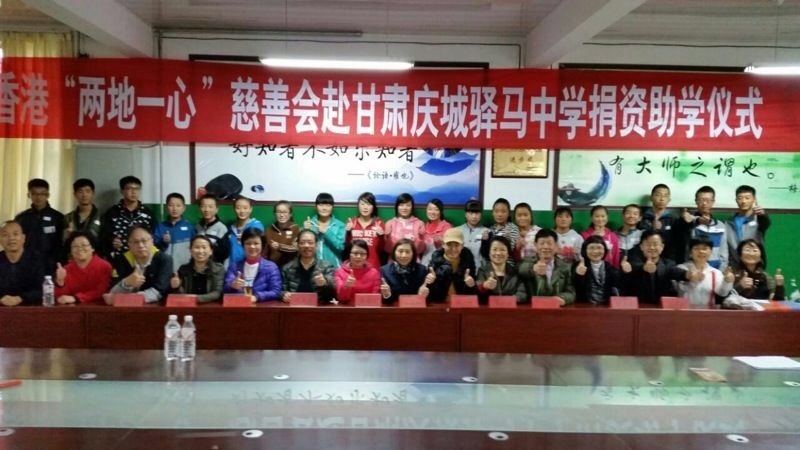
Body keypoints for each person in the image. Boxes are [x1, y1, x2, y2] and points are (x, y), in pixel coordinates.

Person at [619, 230, 689, 305]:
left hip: (661, 308)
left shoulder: (668, 264)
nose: (652, 247)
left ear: (662, 247)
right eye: (648, 244)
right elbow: (633, 269)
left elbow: (676, 272)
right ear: (641, 247)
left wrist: (687, 274)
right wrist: (643, 268)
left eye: (655, 244)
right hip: (636, 307)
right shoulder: (631, 262)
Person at [106, 226, 173, 304]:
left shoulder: (164, 259)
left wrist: (131, 298)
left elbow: (159, 290)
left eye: (144, 241)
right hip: (124, 306)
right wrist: (126, 283)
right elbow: (112, 293)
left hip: (154, 306)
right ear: (129, 244)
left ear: (152, 241)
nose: (140, 245)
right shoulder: (121, 259)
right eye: (135, 242)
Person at [15, 178, 64, 274]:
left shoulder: (58, 217)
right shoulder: (21, 218)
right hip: (26, 265)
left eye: (42, 194)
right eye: (34, 194)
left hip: (51, 266)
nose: (38, 197)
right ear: (29, 195)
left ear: (48, 195)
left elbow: (61, 243)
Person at [673, 185, 728, 270]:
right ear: (696, 201)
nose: (704, 203)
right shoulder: (689, 222)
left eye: (707, 200)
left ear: (713, 202)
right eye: (701, 200)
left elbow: (724, 254)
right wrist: (694, 221)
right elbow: (682, 233)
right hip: (692, 271)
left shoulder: (721, 226)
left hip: (715, 271)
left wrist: (720, 272)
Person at [101, 175, 156, 260]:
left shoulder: (147, 213)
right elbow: (105, 236)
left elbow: (154, 235)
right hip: (119, 258)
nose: (134, 192)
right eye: (129, 188)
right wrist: (112, 241)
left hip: (143, 258)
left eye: (137, 189)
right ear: (122, 191)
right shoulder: (112, 213)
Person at [518, 229, 575, 306]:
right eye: (542, 243)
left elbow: (570, 292)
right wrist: (533, 268)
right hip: (532, 308)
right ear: (535, 245)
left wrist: (562, 298)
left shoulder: (564, 266)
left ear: (556, 245)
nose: (545, 247)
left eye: (549, 243)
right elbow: (521, 269)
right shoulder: (527, 261)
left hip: (556, 308)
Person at [224, 227, 282, 303]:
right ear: (243, 245)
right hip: (239, 306)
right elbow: (225, 291)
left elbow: (276, 292)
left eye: (256, 243)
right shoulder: (234, 266)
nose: (252, 246)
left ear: (262, 245)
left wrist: (257, 297)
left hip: (263, 308)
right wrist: (232, 285)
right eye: (248, 243)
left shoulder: (271, 267)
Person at [54, 232, 112, 304]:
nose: (80, 249)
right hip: (72, 309)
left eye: (84, 245)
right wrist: (60, 282)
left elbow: (101, 292)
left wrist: (76, 298)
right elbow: (60, 298)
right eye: (75, 246)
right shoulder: (66, 269)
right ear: (71, 251)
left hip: (99, 308)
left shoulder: (104, 266)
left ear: (93, 248)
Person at [675, 237, 734, 308]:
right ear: (690, 252)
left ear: (711, 252)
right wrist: (690, 278)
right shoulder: (681, 269)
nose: (701, 251)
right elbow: (679, 290)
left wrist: (727, 281)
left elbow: (722, 293)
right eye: (696, 248)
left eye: (705, 249)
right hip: (684, 311)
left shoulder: (715, 273)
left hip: (708, 312)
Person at [281, 229, 337, 304]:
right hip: (294, 307)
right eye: (302, 243)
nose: (306, 246)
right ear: (297, 245)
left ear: (316, 245)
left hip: (319, 308)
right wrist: (283, 295)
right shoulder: (287, 268)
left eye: (310, 243)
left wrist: (324, 283)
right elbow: (281, 290)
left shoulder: (327, 267)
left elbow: (334, 293)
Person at [169, 235, 225, 303]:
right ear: (190, 250)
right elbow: (180, 295)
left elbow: (217, 293)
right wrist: (176, 287)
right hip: (188, 306)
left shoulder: (219, 269)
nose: (200, 251)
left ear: (211, 251)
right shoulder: (183, 269)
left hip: (211, 306)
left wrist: (194, 299)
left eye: (204, 247)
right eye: (197, 247)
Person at [427, 228, 477, 304]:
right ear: (443, 244)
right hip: (440, 306)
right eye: (449, 245)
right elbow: (430, 295)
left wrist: (471, 285)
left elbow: (472, 294)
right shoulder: (435, 263)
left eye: (457, 245)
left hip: (462, 305)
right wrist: (431, 283)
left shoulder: (468, 262)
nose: (453, 249)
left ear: (462, 246)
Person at [0, 220, 43, 306]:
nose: (11, 238)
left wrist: (20, 298)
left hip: (31, 309)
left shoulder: (37, 260)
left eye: (15, 234)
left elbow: (42, 289)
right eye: (5, 235)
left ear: (23, 238)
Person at [725, 185, 770, 267]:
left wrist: (763, 215)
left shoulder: (759, 220)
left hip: (755, 266)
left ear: (754, 199)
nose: (743, 201)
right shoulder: (728, 222)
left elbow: (766, 223)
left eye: (747, 198)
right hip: (734, 266)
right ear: (736, 200)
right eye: (740, 198)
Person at [380, 239, 431, 305]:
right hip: (394, 309)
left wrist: (422, 296)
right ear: (394, 252)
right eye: (400, 251)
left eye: (408, 252)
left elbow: (430, 299)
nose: (404, 255)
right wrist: (387, 294)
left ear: (413, 254)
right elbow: (386, 302)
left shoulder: (422, 270)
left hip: (416, 307)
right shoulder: (385, 270)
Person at [476, 235, 526, 304]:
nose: (498, 253)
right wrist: (485, 286)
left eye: (502, 250)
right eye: (495, 249)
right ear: (489, 253)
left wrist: (509, 300)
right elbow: (477, 295)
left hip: (510, 308)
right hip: (489, 309)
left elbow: (522, 294)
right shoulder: (483, 271)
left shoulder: (515, 271)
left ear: (508, 254)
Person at [153, 192, 196, 272]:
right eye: (171, 205)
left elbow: (195, 249)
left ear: (184, 208)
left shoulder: (190, 227)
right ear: (166, 207)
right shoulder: (160, 227)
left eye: (178, 205)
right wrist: (163, 242)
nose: (174, 208)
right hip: (164, 270)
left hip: (185, 270)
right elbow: (154, 249)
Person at [572, 235, 620, 305]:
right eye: (591, 248)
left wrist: (626, 273)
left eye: (599, 248)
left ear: (605, 250)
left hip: (606, 307)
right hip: (584, 307)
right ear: (585, 250)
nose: (595, 251)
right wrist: (578, 276)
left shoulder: (610, 269)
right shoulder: (577, 266)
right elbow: (575, 289)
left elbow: (618, 288)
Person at [304, 192, 345, 268]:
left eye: (328, 205)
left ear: (332, 207)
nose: (324, 208)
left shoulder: (340, 225)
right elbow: (303, 248)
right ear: (316, 206)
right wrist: (305, 231)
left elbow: (341, 247)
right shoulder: (310, 224)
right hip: (313, 269)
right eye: (321, 205)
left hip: (334, 268)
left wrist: (327, 232)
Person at [345, 192, 385, 270]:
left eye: (368, 204)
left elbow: (382, 249)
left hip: (373, 268)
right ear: (358, 206)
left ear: (373, 207)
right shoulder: (352, 223)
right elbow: (347, 247)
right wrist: (348, 233)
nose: (365, 207)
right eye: (362, 204)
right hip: (354, 267)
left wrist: (381, 236)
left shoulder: (379, 224)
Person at [334, 239, 381, 304]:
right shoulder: (339, 272)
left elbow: (375, 298)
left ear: (367, 255)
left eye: (362, 254)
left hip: (368, 307)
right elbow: (341, 298)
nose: (359, 256)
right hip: (347, 308)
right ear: (349, 254)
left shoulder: (374, 273)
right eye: (355, 253)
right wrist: (346, 286)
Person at [383, 193, 426, 259]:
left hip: (413, 261)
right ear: (397, 207)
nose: (404, 208)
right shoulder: (390, 223)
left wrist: (418, 239)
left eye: (408, 205)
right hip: (394, 260)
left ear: (412, 207)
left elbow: (421, 250)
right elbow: (387, 249)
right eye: (401, 205)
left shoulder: (419, 223)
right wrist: (388, 238)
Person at [227, 195, 264, 266]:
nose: (242, 211)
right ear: (234, 209)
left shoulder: (257, 226)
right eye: (238, 208)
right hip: (232, 266)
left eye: (245, 208)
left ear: (251, 209)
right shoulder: (231, 228)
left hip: (250, 265)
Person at [63, 178, 102, 246]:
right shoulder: (68, 218)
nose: (84, 195)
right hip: (74, 251)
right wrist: (66, 236)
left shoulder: (102, 217)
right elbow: (63, 242)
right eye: (80, 192)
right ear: (75, 194)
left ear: (93, 193)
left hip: (94, 252)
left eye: (87, 191)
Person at [195, 194, 231, 264]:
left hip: (215, 267)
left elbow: (225, 253)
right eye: (203, 206)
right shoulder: (197, 226)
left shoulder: (222, 228)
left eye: (210, 206)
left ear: (216, 209)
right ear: (199, 208)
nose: (206, 210)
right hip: (199, 266)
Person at [265, 200, 300, 267]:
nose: (281, 215)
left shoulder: (295, 228)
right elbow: (265, 251)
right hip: (272, 267)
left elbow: (296, 248)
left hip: (289, 268)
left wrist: (280, 246)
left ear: (290, 214)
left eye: (285, 212)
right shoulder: (268, 229)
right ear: (274, 214)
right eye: (278, 212)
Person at [456, 199, 488, 268]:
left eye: (477, 213)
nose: (474, 216)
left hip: (479, 270)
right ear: (465, 214)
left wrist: (486, 241)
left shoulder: (487, 231)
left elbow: (487, 254)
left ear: (481, 214)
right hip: (460, 269)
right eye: (471, 213)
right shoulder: (457, 231)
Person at [421, 198, 452, 265]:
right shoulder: (424, 226)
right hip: (425, 263)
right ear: (426, 211)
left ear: (441, 211)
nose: (432, 212)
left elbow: (452, 248)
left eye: (436, 209)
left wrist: (442, 241)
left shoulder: (447, 227)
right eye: (430, 209)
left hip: (441, 264)